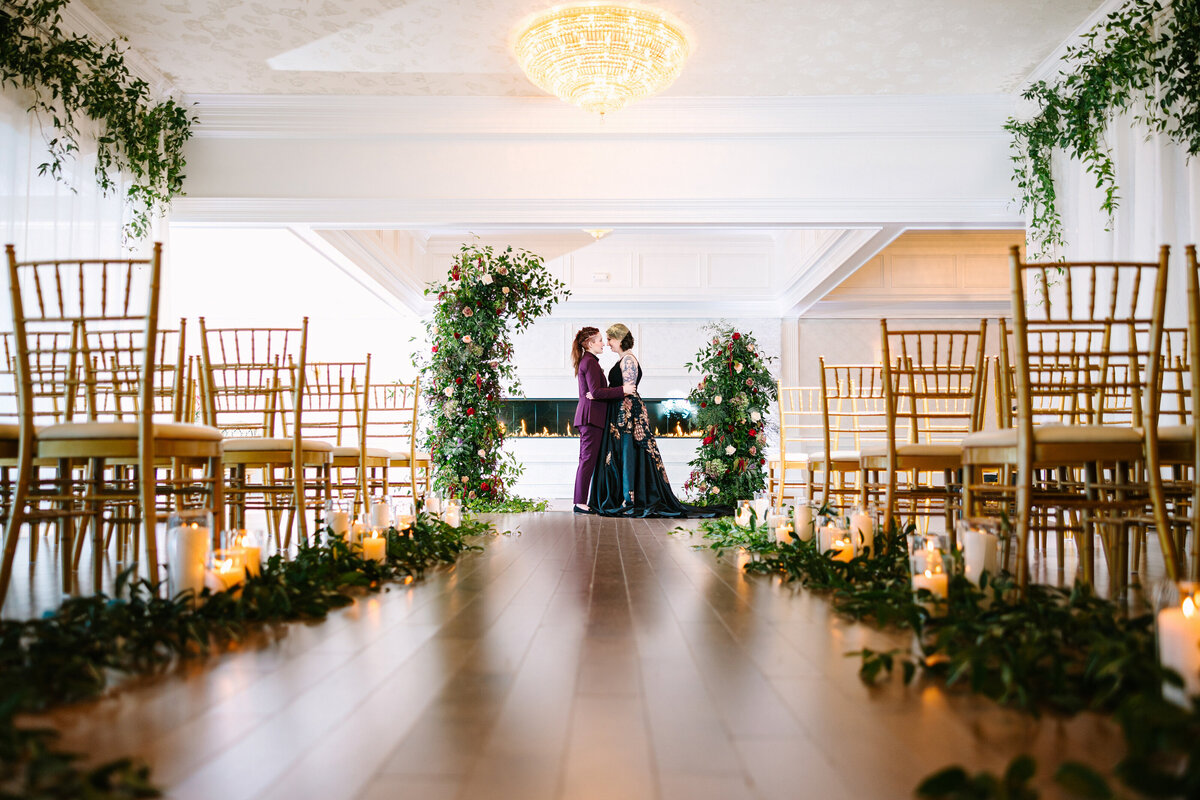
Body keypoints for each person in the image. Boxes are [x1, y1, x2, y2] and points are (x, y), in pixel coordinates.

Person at [586, 323, 728, 518]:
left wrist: (598, 395)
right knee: (623, 453)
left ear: (618, 339)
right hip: (620, 412)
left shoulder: (628, 360)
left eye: (610, 339)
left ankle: (630, 499)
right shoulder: (623, 359)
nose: (608, 343)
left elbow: (628, 390)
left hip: (627, 414)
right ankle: (624, 497)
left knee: (628, 452)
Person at [572, 326, 634, 513]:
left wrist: (598, 394)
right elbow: (596, 391)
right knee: (587, 459)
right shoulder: (589, 362)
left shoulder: (590, 361)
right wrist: (623, 390)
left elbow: (596, 392)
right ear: (590, 343)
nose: (603, 344)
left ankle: (583, 500)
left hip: (593, 418)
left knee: (588, 459)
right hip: (590, 418)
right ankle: (579, 503)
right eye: (599, 340)